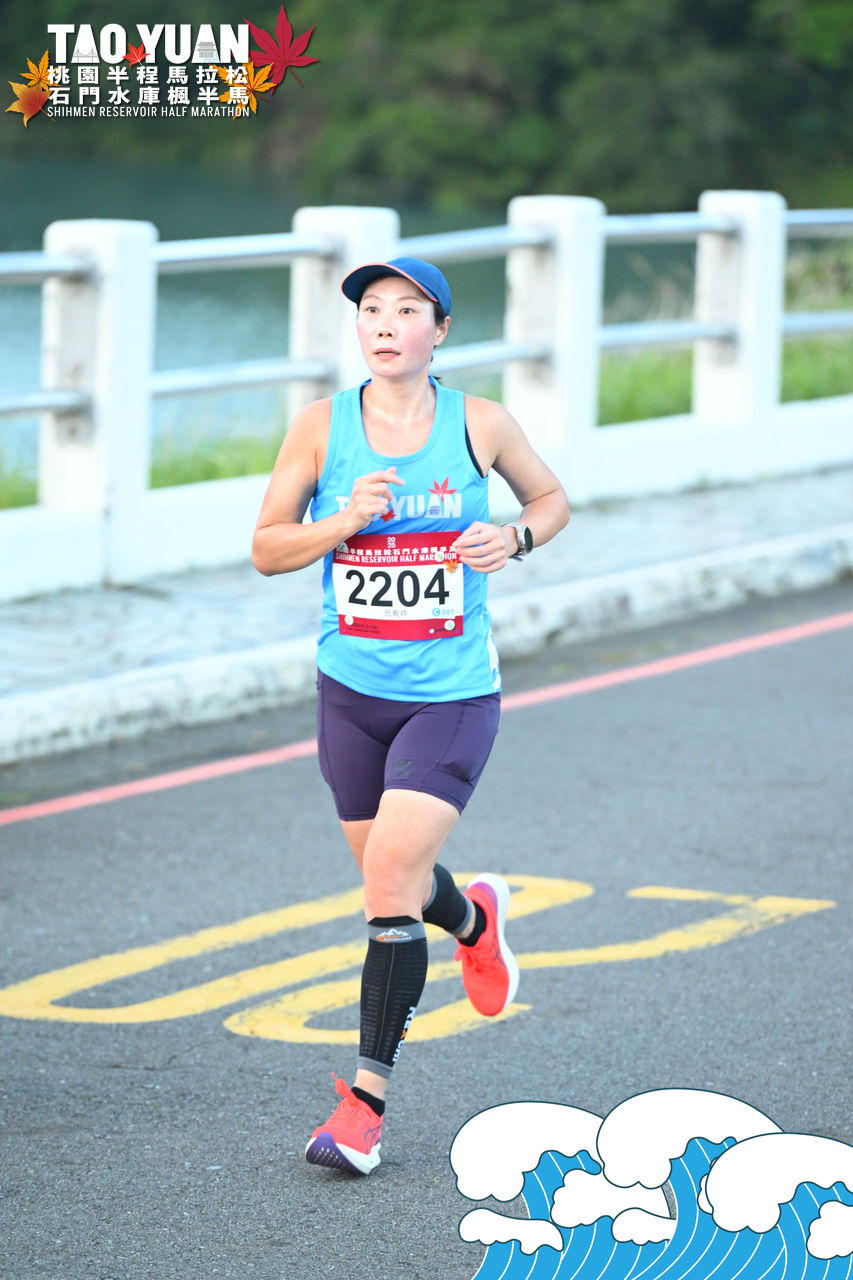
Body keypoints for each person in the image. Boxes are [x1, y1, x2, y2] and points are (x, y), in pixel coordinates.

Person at [252, 256, 569, 1175]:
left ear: (440, 330)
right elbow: (267, 548)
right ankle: (472, 921)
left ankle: (362, 1111)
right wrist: (340, 523)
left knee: (388, 881)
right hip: (350, 696)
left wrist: (513, 537)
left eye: (407, 309)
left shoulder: (479, 423)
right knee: (394, 880)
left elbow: (550, 500)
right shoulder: (320, 427)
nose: (385, 324)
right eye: (371, 310)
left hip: (451, 694)